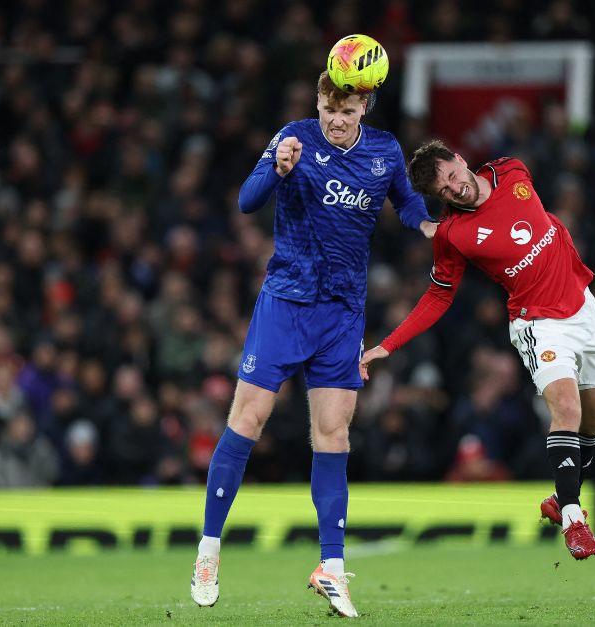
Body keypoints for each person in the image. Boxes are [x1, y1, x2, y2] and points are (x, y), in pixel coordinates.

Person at [190, 72, 436, 616]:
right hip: (286, 302)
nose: (336, 119)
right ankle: (209, 550)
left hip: (342, 312)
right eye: (329, 108)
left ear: (365, 106)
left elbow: (407, 204)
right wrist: (277, 169)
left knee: (333, 433)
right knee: (247, 419)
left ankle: (332, 568)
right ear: (318, 103)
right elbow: (246, 201)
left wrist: (428, 228)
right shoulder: (293, 137)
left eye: (346, 110)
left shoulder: (385, 151)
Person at [359, 140, 595, 560]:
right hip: (537, 322)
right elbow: (438, 296)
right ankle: (573, 519)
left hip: (582, 306)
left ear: (460, 160)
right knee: (567, 408)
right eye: (443, 191)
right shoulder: (453, 234)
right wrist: (388, 345)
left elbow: (541, 221)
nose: (454, 189)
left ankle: (559, 497)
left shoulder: (511, 170)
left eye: (452, 176)